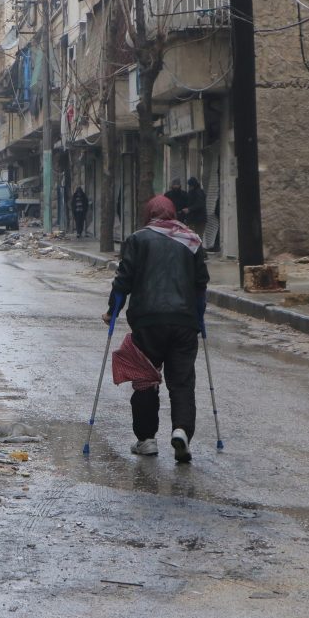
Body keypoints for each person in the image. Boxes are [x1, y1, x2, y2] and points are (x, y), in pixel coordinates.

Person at [103, 195, 209, 463]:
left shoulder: (138, 239)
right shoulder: (192, 240)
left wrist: (112, 312)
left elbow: (123, 279)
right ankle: (182, 430)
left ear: (148, 214)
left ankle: (146, 439)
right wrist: (199, 316)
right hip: (184, 322)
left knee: (145, 379)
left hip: (147, 321)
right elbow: (200, 284)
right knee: (182, 381)